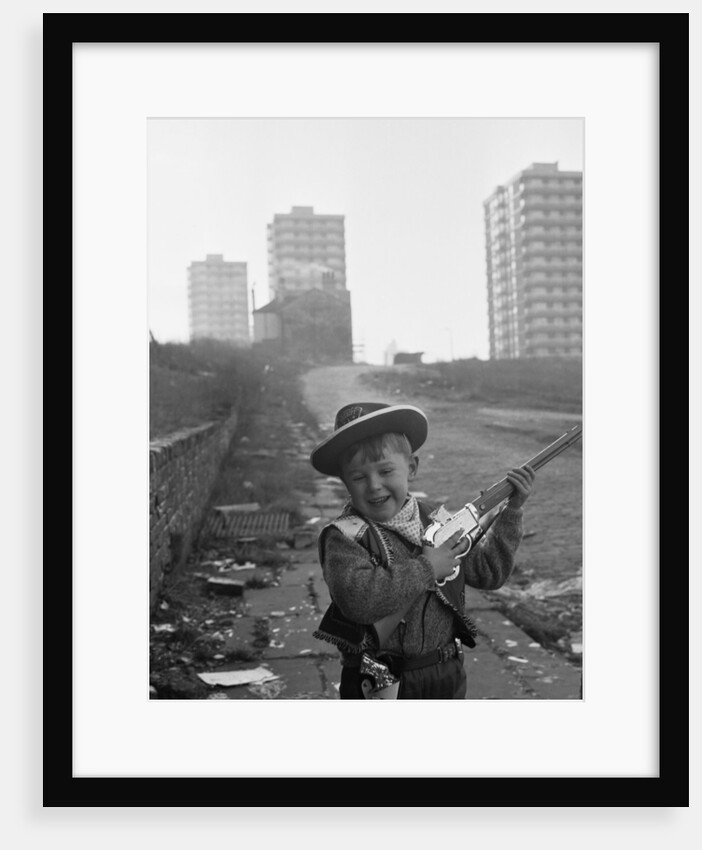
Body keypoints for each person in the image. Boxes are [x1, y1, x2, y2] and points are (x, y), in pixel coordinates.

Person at [310, 401, 535, 700]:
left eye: (386, 470)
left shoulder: (437, 519)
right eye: (359, 477)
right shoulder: (344, 537)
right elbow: (359, 601)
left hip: (446, 674)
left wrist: (512, 511)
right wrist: (427, 568)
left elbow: (489, 573)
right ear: (345, 482)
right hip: (378, 682)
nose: (374, 486)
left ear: (412, 468)